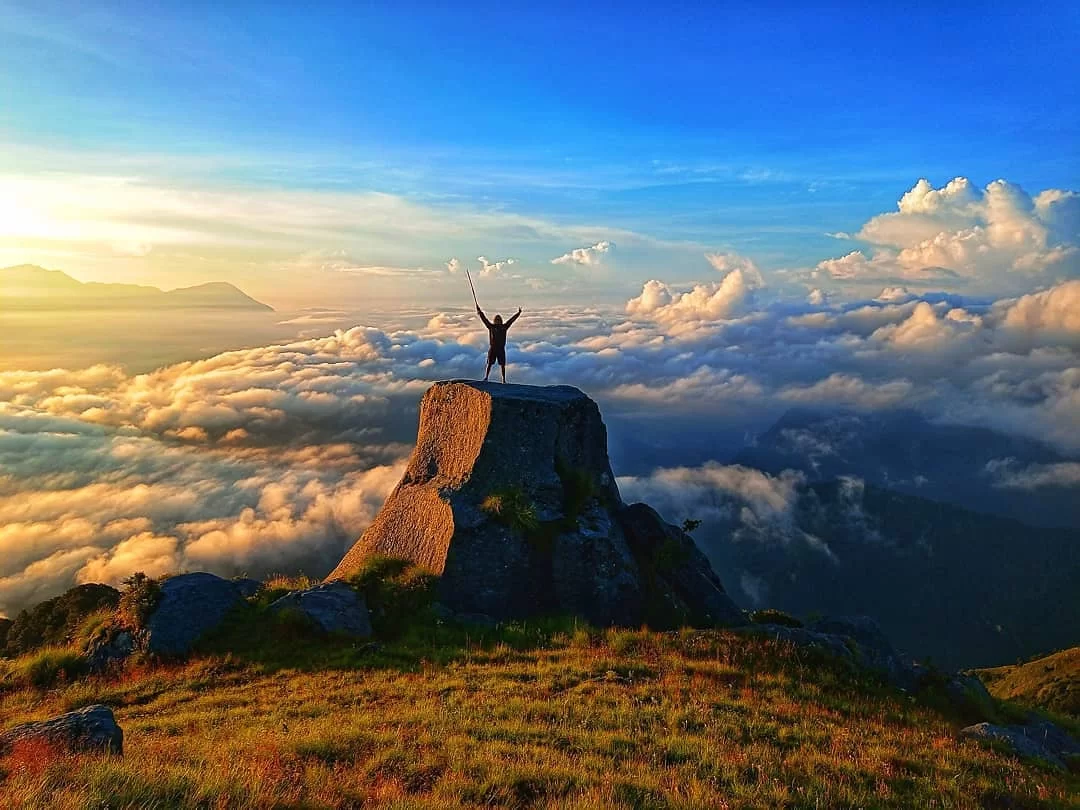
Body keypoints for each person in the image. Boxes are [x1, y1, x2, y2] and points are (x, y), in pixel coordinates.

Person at [476, 305, 521, 382]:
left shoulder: (503, 327)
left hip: (500, 349)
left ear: (500, 320)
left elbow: (511, 320)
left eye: (498, 319)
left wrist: (518, 313)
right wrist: (480, 312)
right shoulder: (492, 327)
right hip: (493, 348)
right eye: (497, 319)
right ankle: (486, 377)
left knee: (502, 365)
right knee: (489, 364)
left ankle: (503, 380)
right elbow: (484, 319)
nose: (497, 321)